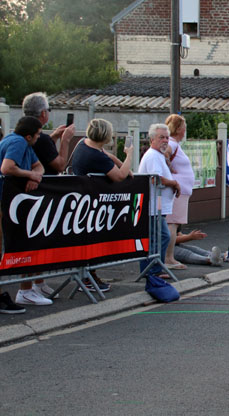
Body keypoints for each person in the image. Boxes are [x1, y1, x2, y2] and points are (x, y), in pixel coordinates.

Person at [20, 92, 76, 298]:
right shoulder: (38, 138)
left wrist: (52, 137)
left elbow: (41, 150)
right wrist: (65, 140)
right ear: (43, 113)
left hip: (32, 194)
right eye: (49, 110)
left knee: (38, 240)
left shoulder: (33, 135)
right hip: (36, 195)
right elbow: (59, 164)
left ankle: (38, 282)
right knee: (33, 241)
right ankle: (26, 288)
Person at [71, 118, 134, 291]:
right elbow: (119, 176)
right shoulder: (95, 156)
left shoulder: (84, 144)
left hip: (84, 201)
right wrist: (128, 155)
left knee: (90, 241)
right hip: (89, 204)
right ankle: (87, 278)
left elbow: (107, 155)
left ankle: (90, 275)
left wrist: (119, 162)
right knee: (90, 241)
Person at [0, 117, 46, 308]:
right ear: (29, 136)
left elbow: (39, 166)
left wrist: (35, 177)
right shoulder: (18, 142)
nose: (38, 137)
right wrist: (29, 174)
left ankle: (25, 290)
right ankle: (17, 293)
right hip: (5, 201)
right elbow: (7, 167)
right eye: (37, 134)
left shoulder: (22, 143)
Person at [138, 124, 180, 277]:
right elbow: (156, 179)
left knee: (159, 237)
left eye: (167, 137)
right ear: (152, 139)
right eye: (161, 137)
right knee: (161, 237)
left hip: (158, 206)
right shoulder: (153, 156)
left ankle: (154, 269)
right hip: (152, 207)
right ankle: (153, 270)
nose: (165, 141)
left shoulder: (158, 156)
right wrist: (174, 183)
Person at [164, 114, 195, 270]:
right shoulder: (172, 143)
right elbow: (165, 153)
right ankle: (169, 258)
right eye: (184, 128)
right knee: (172, 223)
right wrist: (170, 168)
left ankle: (169, 257)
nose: (184, 131)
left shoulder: (175, 144)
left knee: (173, 224)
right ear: (178, 129)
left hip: (180, 190)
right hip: (177, 191)